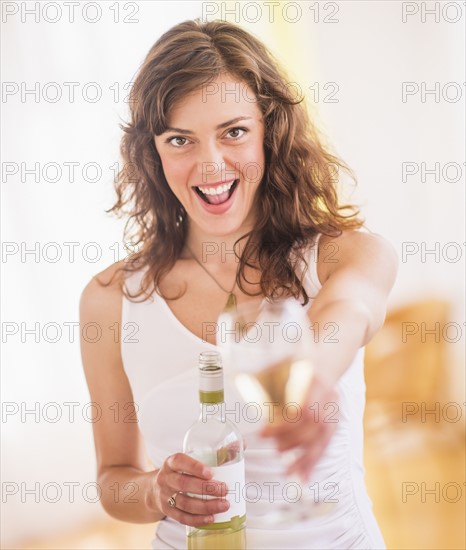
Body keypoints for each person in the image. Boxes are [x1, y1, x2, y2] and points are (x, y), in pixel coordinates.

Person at [79, 18, 398, 550]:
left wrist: (311, 376)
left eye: (234, 131)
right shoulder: (111, 300)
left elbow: (350, 309)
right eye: (180, 139)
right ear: (152, 153)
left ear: (269, 131)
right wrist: (157, 493)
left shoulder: (344, 254)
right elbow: (114, 479)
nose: (210, 164)